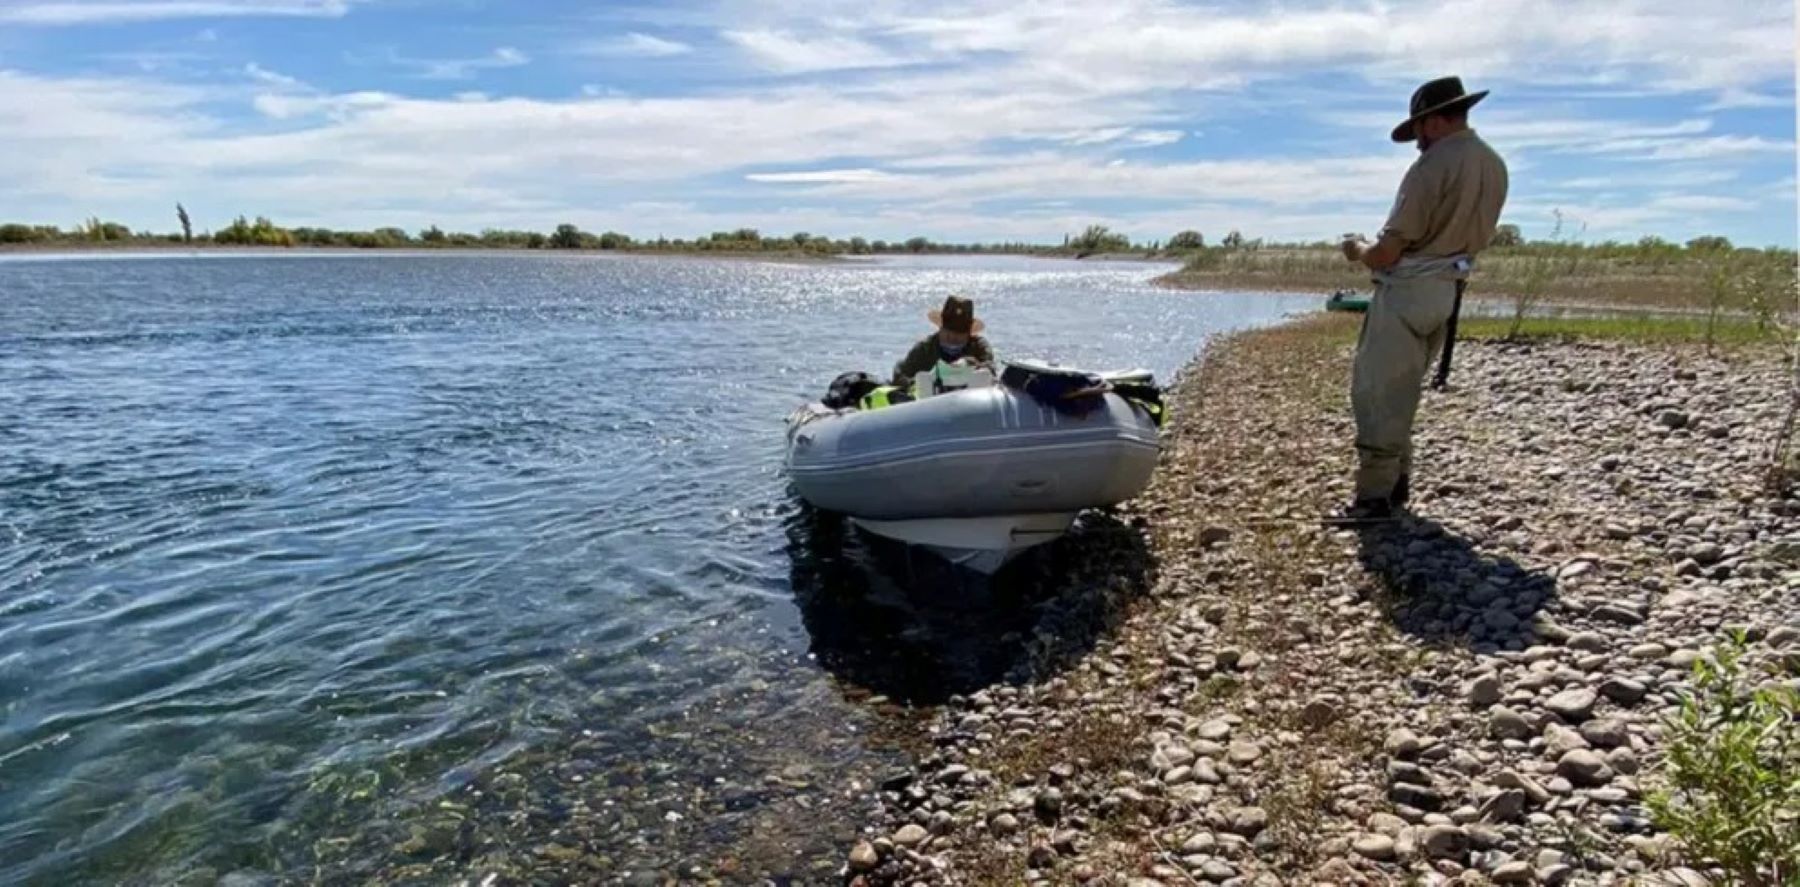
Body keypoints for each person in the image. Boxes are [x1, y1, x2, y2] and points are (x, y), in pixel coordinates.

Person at [1335, 76, 1508, 522]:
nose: (1416, 144)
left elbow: (1388, 253)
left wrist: (1356, 249)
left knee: (1377, 394)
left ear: (1432, 122)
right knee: (1402, 391)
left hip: (1408, 291)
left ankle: (1374, 498)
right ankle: (1397, 488)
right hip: (1449, 293)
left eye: (1418, 132)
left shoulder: (1432, 168)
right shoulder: (1493, 163)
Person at [891, 295, 995, 387]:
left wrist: (972, 364)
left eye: (959, 334)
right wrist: (923, 382)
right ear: (940, 328)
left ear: (968, 334)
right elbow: (901, 375)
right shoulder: (925, 348)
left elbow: (990, 369)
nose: (953, 338)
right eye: (948, 332)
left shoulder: (979, 347)